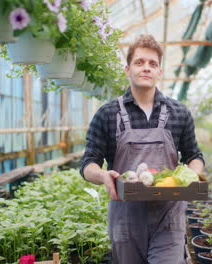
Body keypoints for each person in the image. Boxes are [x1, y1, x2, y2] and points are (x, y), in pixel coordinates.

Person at [80, 34, 204, 263]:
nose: (146, 68)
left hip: (169, 216)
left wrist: (193, 175)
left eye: (153, 64)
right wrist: (103, 175)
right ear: (128, 69)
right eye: (139, 62)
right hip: (126, 218)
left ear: (159, 72)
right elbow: (89, 163)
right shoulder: (107, 114)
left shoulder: (179, 113)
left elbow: (194, 155)